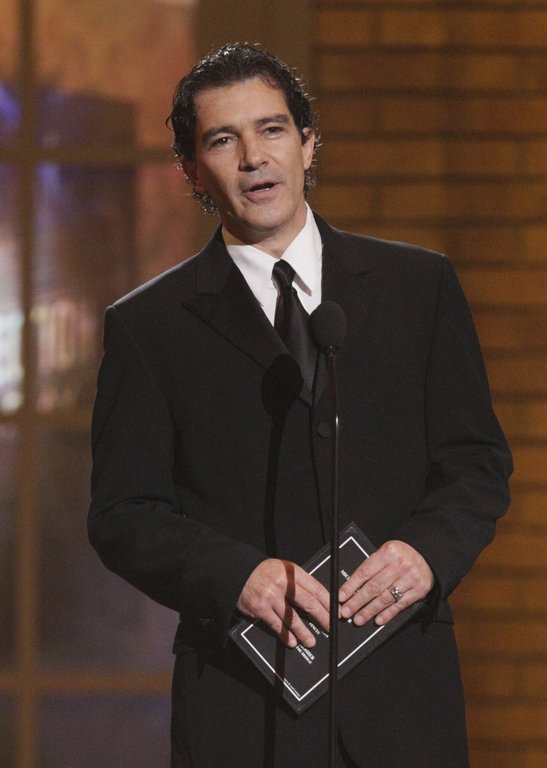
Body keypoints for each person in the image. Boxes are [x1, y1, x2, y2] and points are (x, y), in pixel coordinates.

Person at [88, 43, 512, 768]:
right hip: (240, 706)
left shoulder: (418, 289)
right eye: (223, 140)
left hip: (401, 699)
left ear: (309, 142)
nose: (254, 157)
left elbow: (475, 464)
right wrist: (237, 578)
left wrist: (426, 552)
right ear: (191, 170)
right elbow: (123, 514)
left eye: (272, 129)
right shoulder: (149, 327)